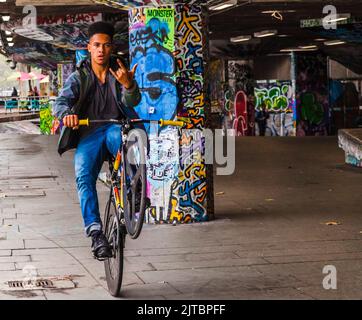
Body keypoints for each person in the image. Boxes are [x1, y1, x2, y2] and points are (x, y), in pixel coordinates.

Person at [53, 21, 141, 260]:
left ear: (111, 48)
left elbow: (133, 103)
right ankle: (96, 233)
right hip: (89, 134)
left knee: (127, 142)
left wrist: (129, 85)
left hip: (114, 128)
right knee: (83, 176)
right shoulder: (79, 76)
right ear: (89, 48)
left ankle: (134, 189)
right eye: (96, 45)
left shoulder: (120, 72)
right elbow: (59, 103)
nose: (101, 50)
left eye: (106, 45)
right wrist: (66, 115)